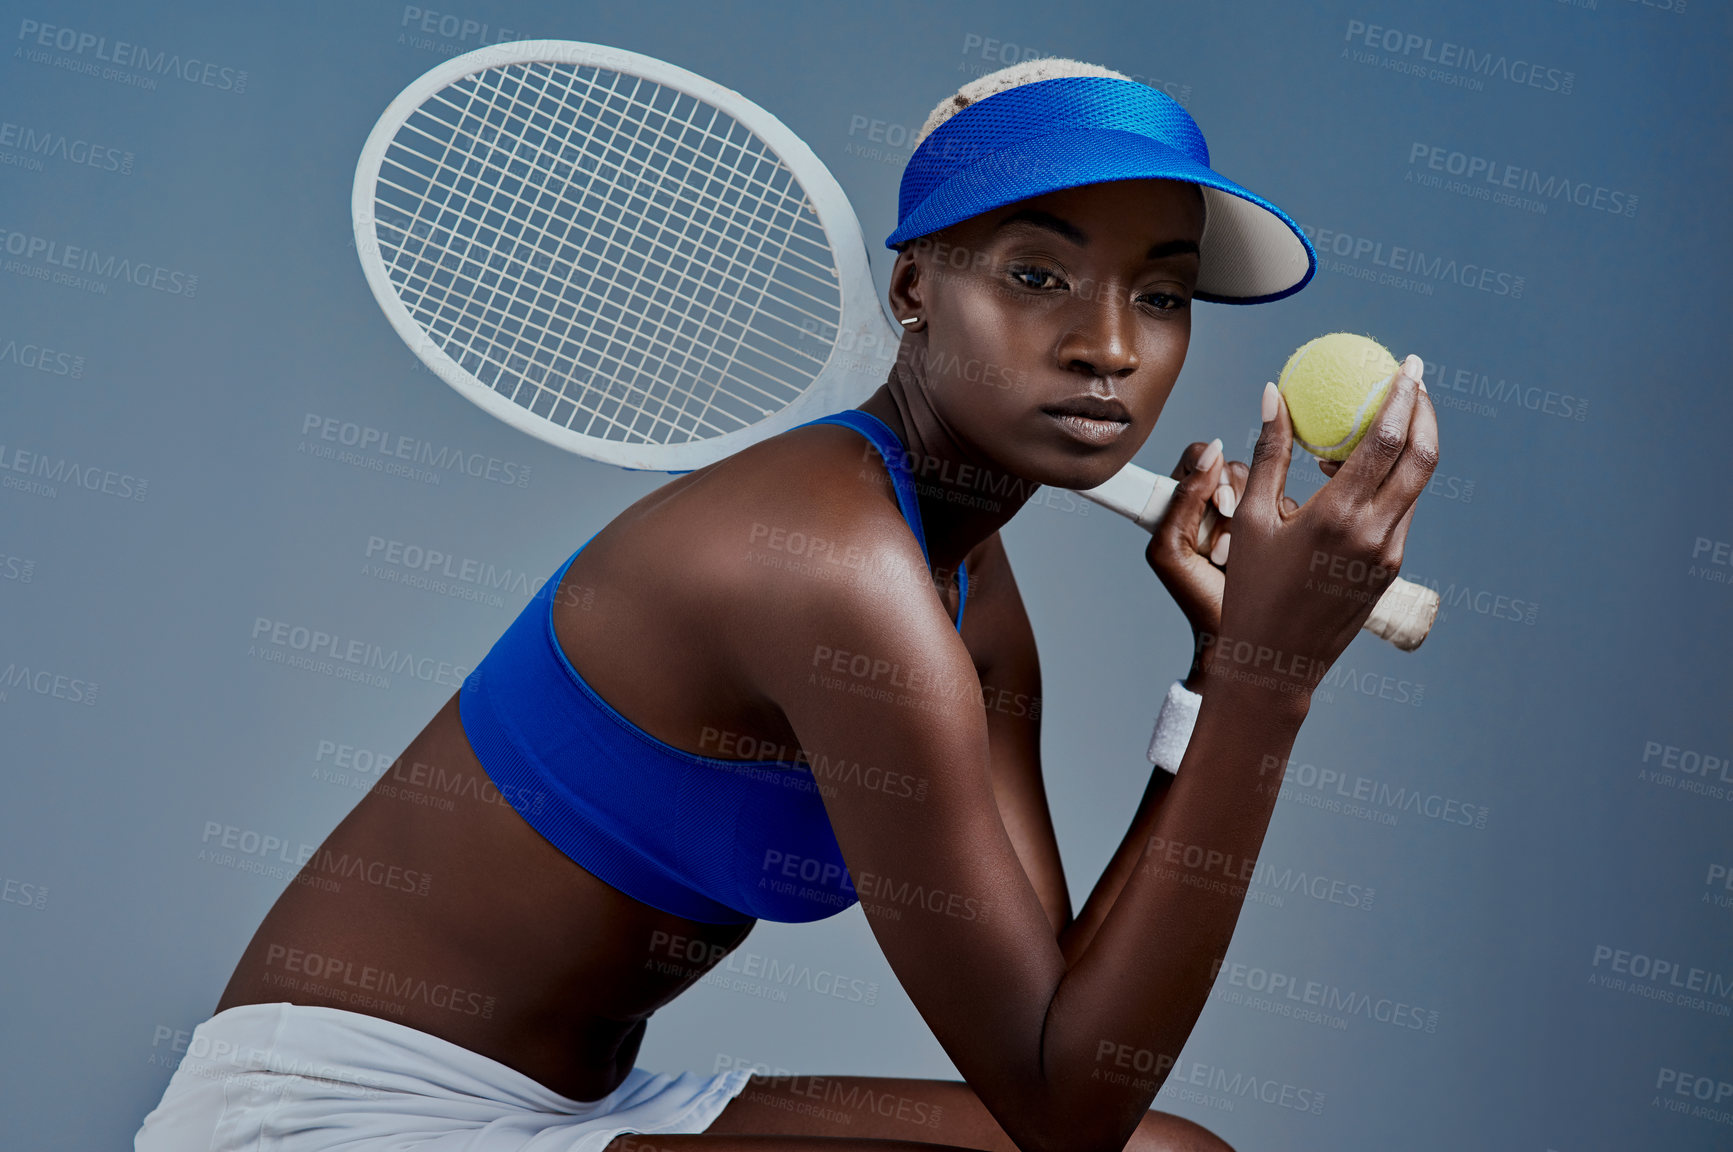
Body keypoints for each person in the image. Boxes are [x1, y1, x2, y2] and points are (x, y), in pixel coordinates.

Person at [136, 55, 1437, 1152]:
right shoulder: (826, 564)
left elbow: (1063, 1025)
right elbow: (1062, 1105)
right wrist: (1271, 684)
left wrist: (1219, 670)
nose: (1108, 341)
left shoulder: (968, 599)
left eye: (1158, 293)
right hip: (331, 1125)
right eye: (1036, 275)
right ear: (915, 293)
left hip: (564, 1116)